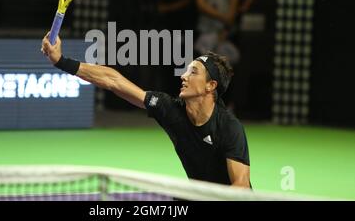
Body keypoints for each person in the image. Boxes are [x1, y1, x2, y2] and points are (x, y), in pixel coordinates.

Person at [41, 35, 251, 188]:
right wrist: (62, 61)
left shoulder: (228, 126)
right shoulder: (170, 109)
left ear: (210, 86)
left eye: (193, 72)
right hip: (199, 194)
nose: (183, 76)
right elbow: (113, 80)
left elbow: (240, 185)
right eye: (186, 70)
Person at [157, 0, 196, 95]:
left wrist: (166, 8)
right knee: (165, 64)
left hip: (183, 28)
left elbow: (187, 1)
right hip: (166, 29)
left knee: (182, 64)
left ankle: (182, 96)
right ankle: (166, 96)